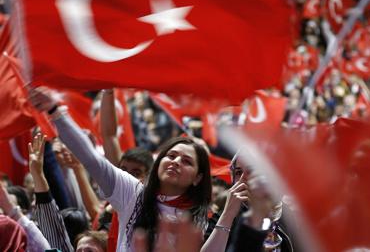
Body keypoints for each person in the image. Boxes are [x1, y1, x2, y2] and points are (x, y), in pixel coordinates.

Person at [28, 87, 244, 252]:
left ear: (198, 178)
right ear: (158, 163)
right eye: (170, 155)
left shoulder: (203, 218)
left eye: (187, 161)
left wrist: (227, 216)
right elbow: (92, 159)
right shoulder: (132, 193)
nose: (176, 161)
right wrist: (57, 112)